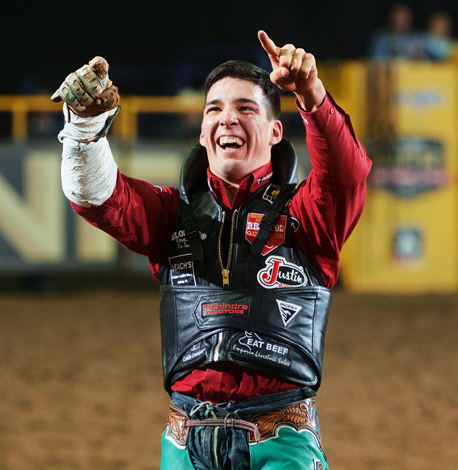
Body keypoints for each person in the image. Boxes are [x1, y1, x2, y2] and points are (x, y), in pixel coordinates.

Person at [52, 31, 371, 470]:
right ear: (203, 133)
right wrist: (84, 129)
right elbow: (97, 198)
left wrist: (311, 94)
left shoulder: (306, 214)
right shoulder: (169, 213)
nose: (227, 119)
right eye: (214, 110)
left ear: (276, 131)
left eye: (245, 108)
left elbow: (347, 176)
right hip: (185, 441)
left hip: (280, 439)